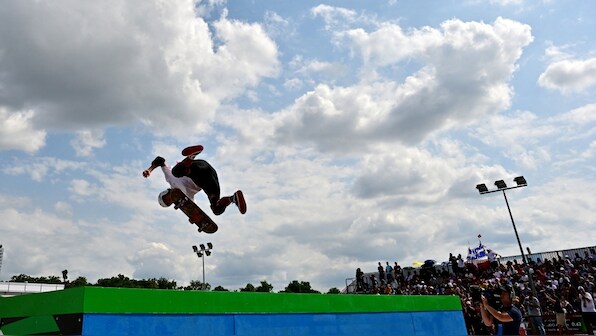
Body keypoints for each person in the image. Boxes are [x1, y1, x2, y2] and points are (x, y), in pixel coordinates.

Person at [143, 146, 246, 216]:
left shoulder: (169, 179)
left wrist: (149, 170)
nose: (170, 200)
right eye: (169, 202)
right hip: (208, 180)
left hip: (197, 168)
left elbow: (160, 160)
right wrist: (196, 219)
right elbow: (195, 211)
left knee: (175, 172)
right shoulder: (186, 201)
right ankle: (234, 198)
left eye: (167, 198)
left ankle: (192, 155)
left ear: (166, 192)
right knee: (216, 210)